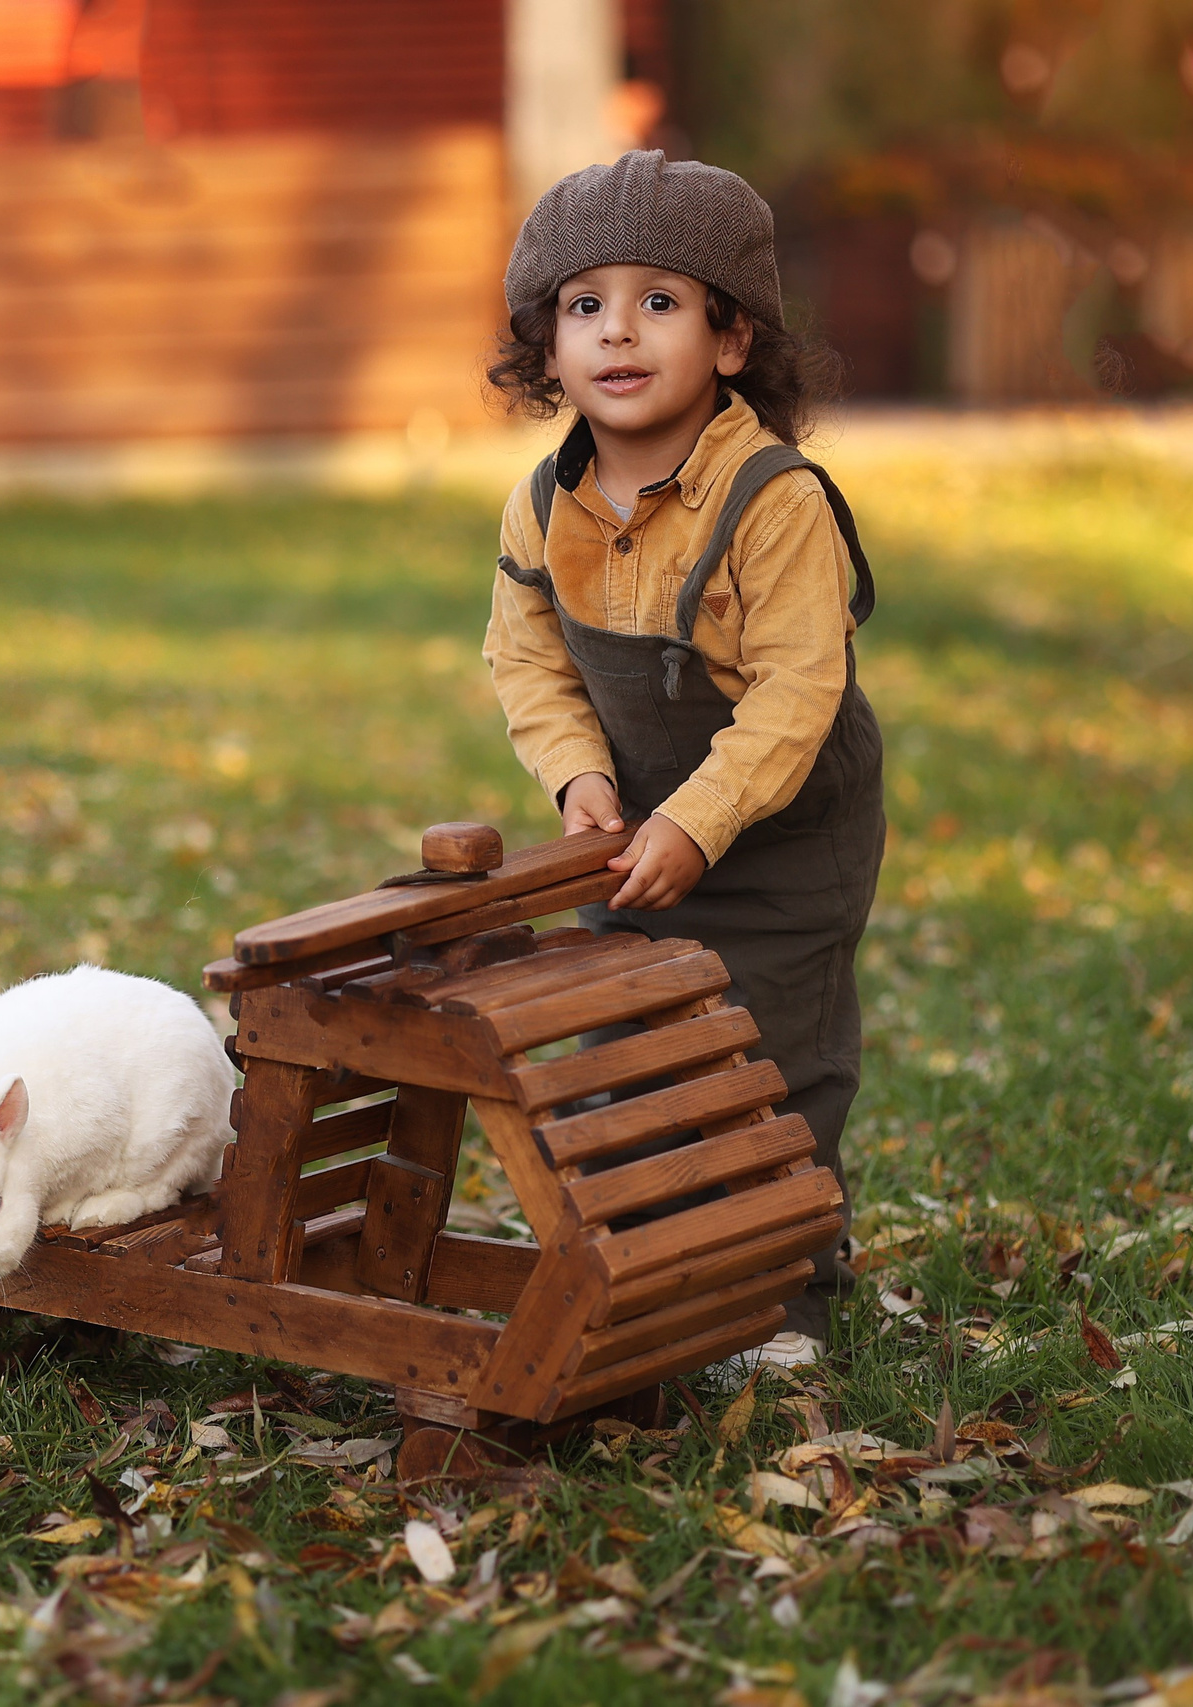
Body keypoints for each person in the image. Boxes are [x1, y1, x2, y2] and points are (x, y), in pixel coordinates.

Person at [481, 150, 882, 1369]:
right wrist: (578, 782)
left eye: (659, 301)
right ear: (546, 349)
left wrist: (700, 823)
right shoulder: (541, 503)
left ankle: (783, 1290)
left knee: (770, 1059)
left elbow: (795, 691)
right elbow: (528, 657)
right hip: (637, 830)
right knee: (636, 1049)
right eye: (584, 305)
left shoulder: (771, 498)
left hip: (786, 830)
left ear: (728, 339)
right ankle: (655, 1256)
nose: (618, 331)